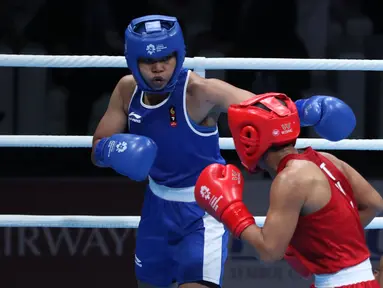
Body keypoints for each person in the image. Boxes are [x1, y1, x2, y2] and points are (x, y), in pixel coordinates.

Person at [91, 14, 357, 288]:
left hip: (203, 209)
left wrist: (308, 112)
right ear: (133, 61)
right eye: (149, 61)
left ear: (178, 55)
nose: (159, 68)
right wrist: (112, 150)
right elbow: (97, 147)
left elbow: (262, 108)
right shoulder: (126, 92)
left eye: (166, 59)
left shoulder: (199, 92)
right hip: (155, 209)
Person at [194, 92, 383, 287]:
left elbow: (269, 252)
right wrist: (327, 243)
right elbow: (373, 204)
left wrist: (230, 211)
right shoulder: (326, 159)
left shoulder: (290, 179)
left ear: (249, 137)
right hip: (362, 280)